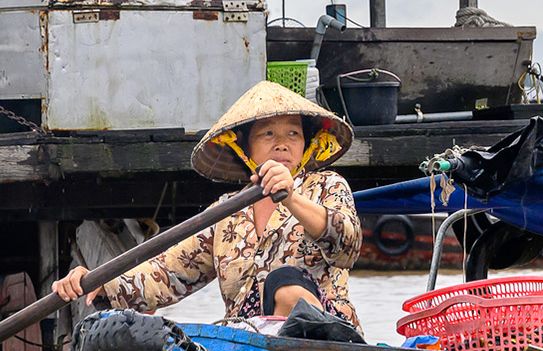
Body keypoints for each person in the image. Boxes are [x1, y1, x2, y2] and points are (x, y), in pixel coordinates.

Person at [53, 80, 362, 326]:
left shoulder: (325, 186)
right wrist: (96, 279)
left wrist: (291, 197)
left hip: (324, 339)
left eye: (293, 133)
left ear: (306, 145)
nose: (282, 142)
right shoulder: (226, 213)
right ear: (245, 149)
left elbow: (347, 246)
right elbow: (166, 273)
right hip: (250, 349)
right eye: (268, 133)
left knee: (286, 282)